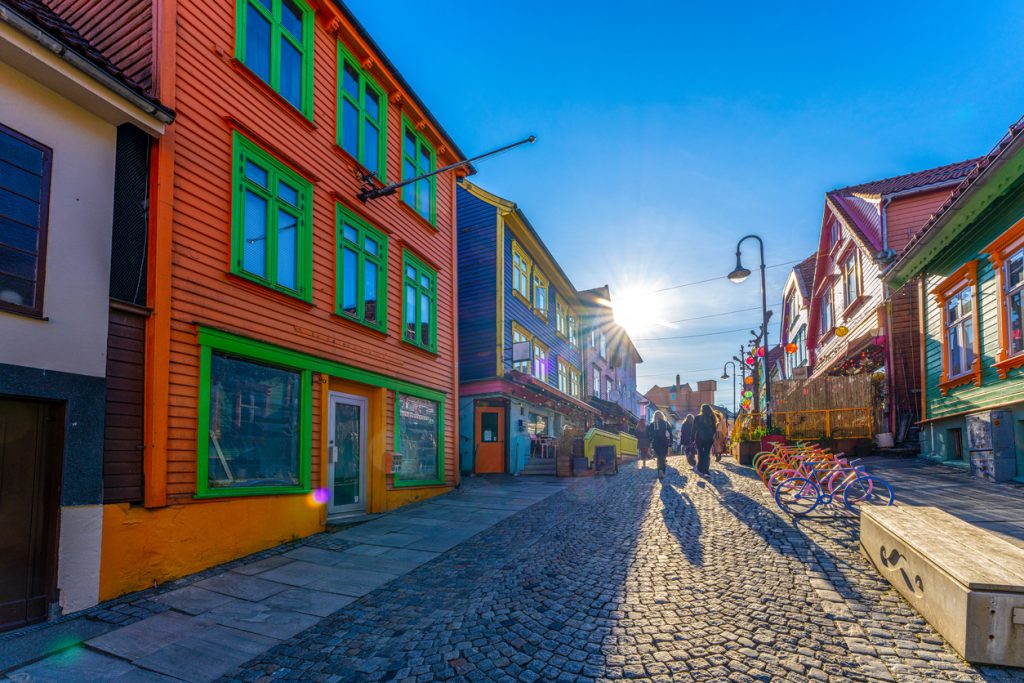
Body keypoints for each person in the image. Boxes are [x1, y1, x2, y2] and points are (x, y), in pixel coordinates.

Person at [693, 403, 719, 476]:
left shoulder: (697, 417)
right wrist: (711, 436)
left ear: (702, 409)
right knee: (707, 454)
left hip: (699, 438)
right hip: (709, 438)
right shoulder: (712, 418)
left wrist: (692, 438)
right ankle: (706, 471)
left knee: (700, 453)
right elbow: (714, 429)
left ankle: (700, 469)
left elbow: (694, 429)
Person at [647, 411, 673, 480]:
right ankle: (662, 471)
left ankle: (659, 470)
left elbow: (649, 435)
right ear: (662, 416)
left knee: (659, 458)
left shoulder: (652, 424)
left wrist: (649, 444)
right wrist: (670, 443)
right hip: (664, 442)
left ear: (654, 416)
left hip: (656, 443)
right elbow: (670, 433)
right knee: (663, 458)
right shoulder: (666, 423)